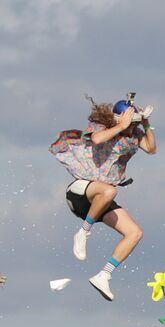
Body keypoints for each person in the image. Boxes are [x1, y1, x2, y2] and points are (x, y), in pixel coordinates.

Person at [49, 95, 156, 301]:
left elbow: (151, 149)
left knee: (134, 233)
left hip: (100, 201)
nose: (131, 128)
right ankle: (83, 233)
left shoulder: (134, 135)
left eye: (134, 124)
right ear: (118, 119)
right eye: (129, 123)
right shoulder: (100, 127)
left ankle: (103, 275)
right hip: (82, 190)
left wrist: (146, 123)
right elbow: (97, 139)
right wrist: (120, 125)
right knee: (109, 190)